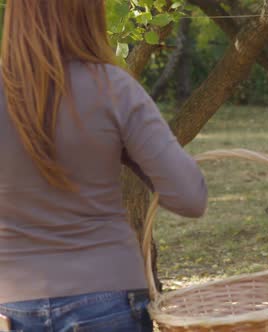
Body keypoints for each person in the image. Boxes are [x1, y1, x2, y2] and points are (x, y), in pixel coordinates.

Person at [0, 1, 207, 331]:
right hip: (107, 297)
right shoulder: (113, 89)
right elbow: (190, 196)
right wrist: (131, 156)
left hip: (10, 304)